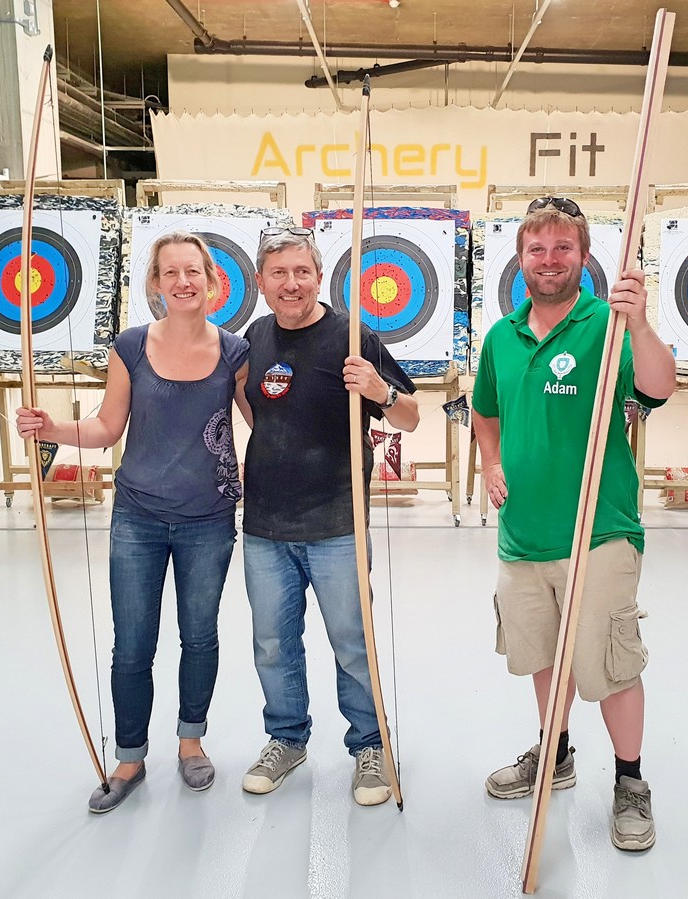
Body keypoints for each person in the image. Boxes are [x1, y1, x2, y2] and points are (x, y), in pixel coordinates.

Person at [17, 231, 250, 814]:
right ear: (155, 283)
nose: (182, 282)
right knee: (132, 645)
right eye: (169, 272)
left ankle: (190, 742)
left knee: (199, 636)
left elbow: (269, 424)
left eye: (192, 271)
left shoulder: (235, 353)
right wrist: (50, 429)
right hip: (139, 517)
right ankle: (129, 756)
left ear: (212, 280)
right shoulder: (131, 346)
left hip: (209, 517)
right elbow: (104, 428)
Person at [471, 197, 676, 851]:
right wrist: (490, 462)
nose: (550, 259)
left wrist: (640, 324)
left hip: (598, 531)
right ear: (520, 257)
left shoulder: (607, 325)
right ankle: (554, 753)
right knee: (542, 656)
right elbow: (486, 410)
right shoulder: (502, 335)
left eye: (564, 248)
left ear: (583, 257)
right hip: (523, 533)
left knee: (608, 664)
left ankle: (631, 782)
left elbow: (658, 389)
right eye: (538, 248)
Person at [235, 226, 419, 806]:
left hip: (339, 521)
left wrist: (379, 392)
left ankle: (370, 746)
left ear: (319, 276)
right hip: (265, 521)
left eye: (302, 272)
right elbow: (251, 401)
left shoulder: (352, 334)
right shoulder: (255, 335)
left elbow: (411, 416)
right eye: (279, 274)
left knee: (351, 641)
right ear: (261, 282)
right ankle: (286, 738)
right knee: (272, 642)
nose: (291, 285)